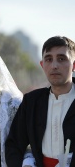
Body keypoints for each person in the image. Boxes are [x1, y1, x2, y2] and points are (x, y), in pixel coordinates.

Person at [5, 36, 75, 167]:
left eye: (61, 59)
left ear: (74, 65)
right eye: (49, 59)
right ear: (42, 65)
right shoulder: (31, 102)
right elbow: (14, 144)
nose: (54, 65)